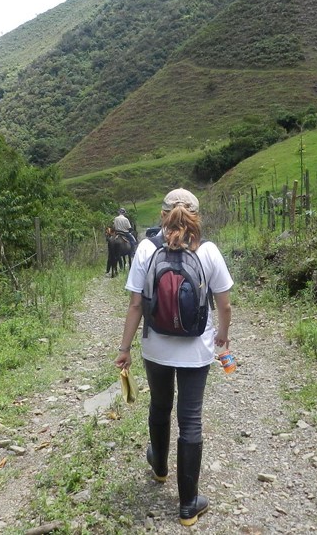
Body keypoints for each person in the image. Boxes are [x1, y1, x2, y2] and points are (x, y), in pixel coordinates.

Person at [115, 189, 233, 527]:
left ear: (163, 214)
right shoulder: (209, 251)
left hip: (155, 348)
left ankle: (161, 468)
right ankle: (187, 505)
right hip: (197, 350)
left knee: (160, 405)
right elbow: (224, 304)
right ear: (197, 216)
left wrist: (124, 350)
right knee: (191, 419)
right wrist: (222, 335)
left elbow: (136, 305)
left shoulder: (146, 249)